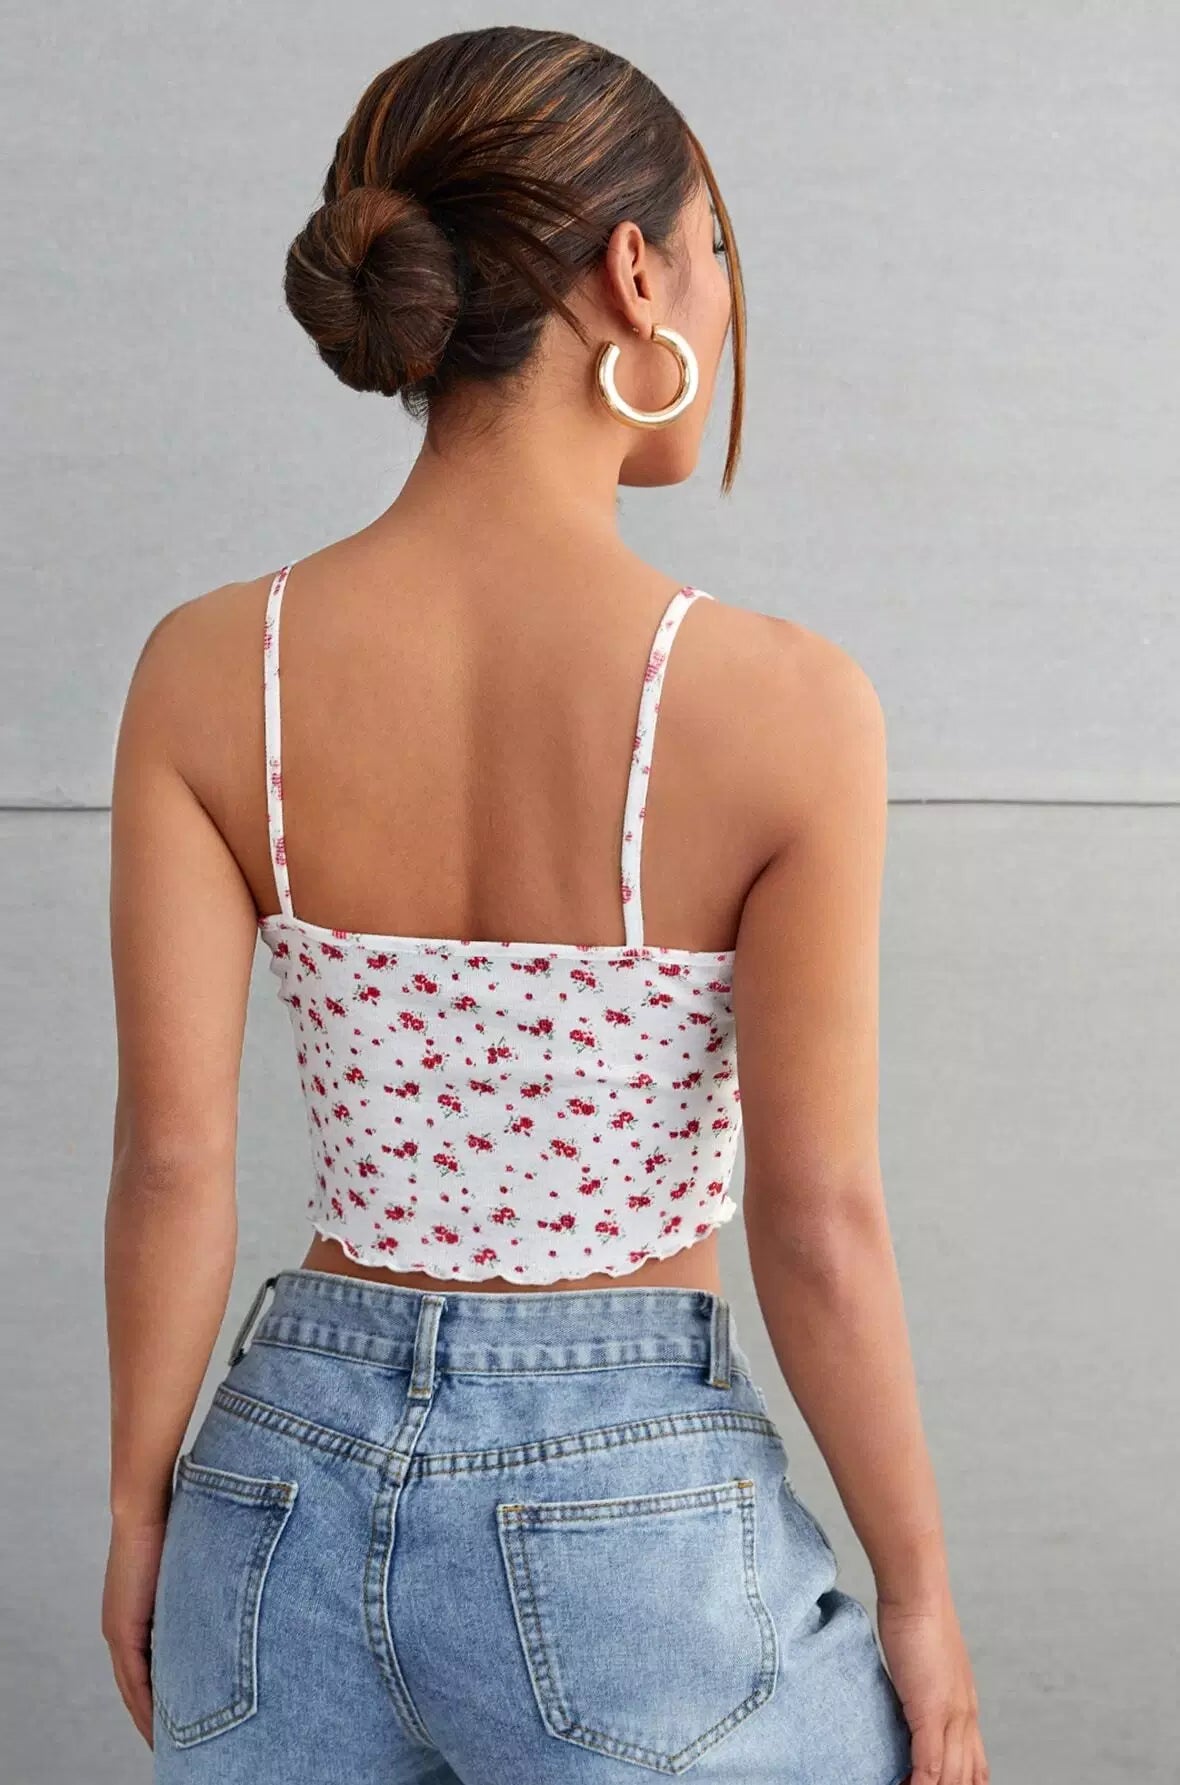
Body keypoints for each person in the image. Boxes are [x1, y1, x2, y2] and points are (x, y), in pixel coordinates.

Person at [102, 25, 986, 1785]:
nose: (725, 294)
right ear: (633, 275)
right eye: (717, 248)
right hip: (626, 1511)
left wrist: (141, 1509)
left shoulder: (209, 669)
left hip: (272, 1489)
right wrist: (921, 1591)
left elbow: (173, 1160)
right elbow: (817, 1218)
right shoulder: (783, 706)